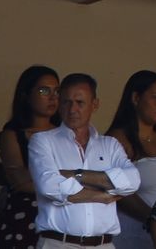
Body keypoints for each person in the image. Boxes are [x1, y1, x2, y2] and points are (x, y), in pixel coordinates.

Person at [28, 73, 139, 249]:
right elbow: (49, 186)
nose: (72, 109)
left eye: (80, 103)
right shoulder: (42, 141)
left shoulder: (110, 145)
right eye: (66, 102)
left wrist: (76, 175)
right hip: (58, 243)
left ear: (95, 104)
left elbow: (132, 180)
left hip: (103, 245)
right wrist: (101, 195)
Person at [106, 71, 156, 249]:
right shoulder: (115, 140)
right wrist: (154, 218)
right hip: (132, 229)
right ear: (136, 98)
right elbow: (115, 189)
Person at [0, 65, 60, 249]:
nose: (53, 97)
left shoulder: (67, 134)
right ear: (25, 95)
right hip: (24, 218)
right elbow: (20, 181)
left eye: (57, 91)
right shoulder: (14, 134)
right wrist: (66, 183)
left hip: (61, 220)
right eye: (44, 91)